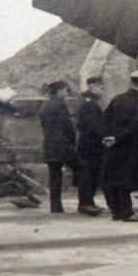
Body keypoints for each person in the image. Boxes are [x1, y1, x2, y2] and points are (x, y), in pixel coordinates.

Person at [102, 70, 138, 221]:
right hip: (127, 145)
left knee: (113, 178)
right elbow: (133, 127)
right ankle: (127, 212)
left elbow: (105, 119)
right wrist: (117, 138)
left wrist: (108, 137)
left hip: (112, 145)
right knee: (125, 180)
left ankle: (116, 211)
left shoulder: (117, 99)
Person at [39, 80, 83, 214]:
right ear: (59, 91)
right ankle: (85, 202)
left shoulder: (45, 105)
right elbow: (67, 126)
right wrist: (72, 142)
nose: (66, 92)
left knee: (55, 177)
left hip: (49, 145)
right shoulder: (60, 105)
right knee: (83, 168)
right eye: (65, 90)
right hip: (62, 144)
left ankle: (56, 207)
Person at [75, 76, 108, 216]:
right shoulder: (89, 104)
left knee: (91, 174)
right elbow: (93, 126)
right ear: (92, 87)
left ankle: (89, 202)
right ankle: (85, 204)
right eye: (100, 87)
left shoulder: (89, 102)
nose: (102, 90)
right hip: (91, 146)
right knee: (88, 175)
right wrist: (104, 137)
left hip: (89, 144)